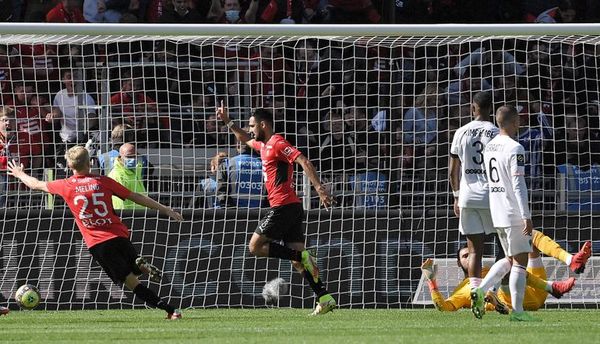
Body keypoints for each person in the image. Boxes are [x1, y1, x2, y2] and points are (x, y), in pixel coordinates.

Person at [6, 146, 184, 320]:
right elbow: (135, 196)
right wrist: (165, 209)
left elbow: (35, 184)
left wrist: (19, 173)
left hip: (98, 243)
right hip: (119, 236)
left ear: (69, 165)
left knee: (132, 283)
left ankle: (170, 310)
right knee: (133, 269)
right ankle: (138, 265)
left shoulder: (65, 185)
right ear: (90, 163)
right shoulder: (103, 181)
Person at [216, 101, 337, 315]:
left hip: (283, 206)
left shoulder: (278, 143)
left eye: (252, 126)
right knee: (298, 263)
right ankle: (324, 297)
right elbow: (243, 137)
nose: (250, 130)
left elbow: (304, 161)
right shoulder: (263, 146)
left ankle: (302, 256)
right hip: (291, 207)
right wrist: (228, 122)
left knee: (255, 247)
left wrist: (319, 188)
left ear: (263, 125)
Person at [421, 230, 590, 313]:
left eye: (471, 254)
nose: (470, 258)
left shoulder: (491, 270)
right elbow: (444, 308)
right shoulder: (463, 289)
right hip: (518, 300)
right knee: (508, 266)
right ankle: (552, 287)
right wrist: (431, 280)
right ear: (459, 263)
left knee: (529, 235)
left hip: (535, 291)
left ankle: (570, 259)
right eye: (466, 256)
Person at [471, 105, 535, 321]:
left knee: (508, 258)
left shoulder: (490, 147)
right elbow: (518, 184)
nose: (520, 123)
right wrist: (526, 214)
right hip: (512, 212)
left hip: (496, 211)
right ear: (514, 122)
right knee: (520, 261)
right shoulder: (515, 148)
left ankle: (481, 290)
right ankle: (518, 312)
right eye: (518, 120)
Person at [449, 92, 498, 294]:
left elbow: (453, 170)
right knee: (505, 249)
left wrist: (456, 196)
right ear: (491, 110)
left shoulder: (460, 132)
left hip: (468, 196)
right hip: (492, 196)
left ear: (473, 108)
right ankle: (497, 292)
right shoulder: (496, 132)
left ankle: (474, 294)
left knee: (474, 251)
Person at [214, 130, 265, 208]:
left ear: (237, 145)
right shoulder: (266, 165)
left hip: (235, 216)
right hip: (260, 215)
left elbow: (221, 195)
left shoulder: (227, 164)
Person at [108, 143, 146, 209]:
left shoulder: (137, 170)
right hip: (128, 215)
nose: (133, 159)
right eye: (129, 157)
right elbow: (120, 203)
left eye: (135, 156)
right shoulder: (116, 175)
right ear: (120, 157)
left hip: (141, 213)